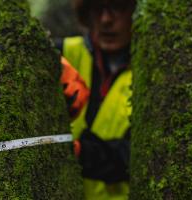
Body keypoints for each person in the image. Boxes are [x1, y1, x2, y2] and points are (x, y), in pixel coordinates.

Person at [58, 0, 136, 199]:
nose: (106, 19)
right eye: (97, 9)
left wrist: (80, 153)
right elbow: (19, 48)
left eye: (118, 7)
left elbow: (140, 155)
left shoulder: (152, 72)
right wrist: (53, 63)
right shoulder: (68, 51)